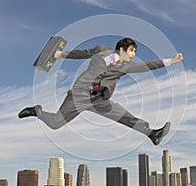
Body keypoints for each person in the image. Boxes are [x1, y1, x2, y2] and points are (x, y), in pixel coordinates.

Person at [18, 38, 183, 145]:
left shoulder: (128, 66)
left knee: (125, 116)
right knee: (55, 123)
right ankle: (37, 111)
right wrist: (61, 54)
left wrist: (173, 60)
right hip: (80, 95)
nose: (133, 55)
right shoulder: (101, 49)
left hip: (99, 100)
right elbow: (83, 53)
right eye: (132, 51)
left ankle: (152, 134)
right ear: (122, 49)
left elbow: (150, 65)